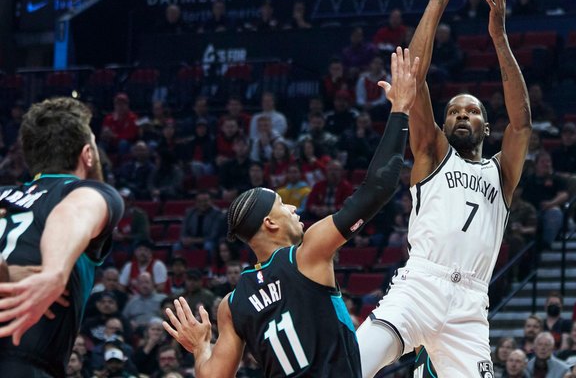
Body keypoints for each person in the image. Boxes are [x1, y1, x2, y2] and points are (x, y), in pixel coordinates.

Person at [162, 47, 417, 376]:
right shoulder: (307, 255)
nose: (294, 207)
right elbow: (378, 188)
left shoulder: (232, 304)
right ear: (269, 223)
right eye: (283, 204)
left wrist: (199, 348)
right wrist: (400, 110)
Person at [356, 0, 531, 377]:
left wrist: (499, 38)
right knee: (350, 363)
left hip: (471, 304)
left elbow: (521, 123)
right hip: (421, 285)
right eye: (454, 111)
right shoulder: (433, 154)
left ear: (487, 128)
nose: (462, 114)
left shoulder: (501, 174)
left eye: (472, 111)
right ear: (445, 124)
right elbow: (413, 81)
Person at [0, 97, 124, 377]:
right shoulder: (89, 193)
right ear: (88, 155)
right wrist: (53, 273)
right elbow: (70, 213)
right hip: (25, 362)